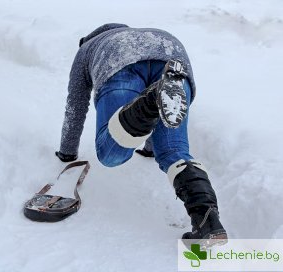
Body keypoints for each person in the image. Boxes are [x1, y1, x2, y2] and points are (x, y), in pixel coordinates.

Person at [56, 23, 227, 243]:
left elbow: (75, 106)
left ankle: (150, 100)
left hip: (118, 57)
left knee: (111, 154)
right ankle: (208, 223)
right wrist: (150, 148)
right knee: (174, 151)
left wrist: (67, 152)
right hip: (171, 53)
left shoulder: (87, 48)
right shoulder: (139, 32)